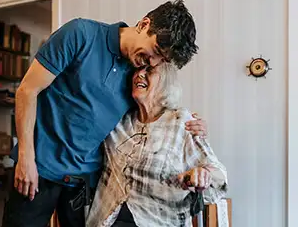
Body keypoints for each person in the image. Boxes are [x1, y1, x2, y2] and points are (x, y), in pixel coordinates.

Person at [2, 0, 207, 227]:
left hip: (83, 181)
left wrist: (190, 124)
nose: (153, 62)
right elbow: (27, 91)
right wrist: (25, 158)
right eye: (155, 51)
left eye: (162, 59)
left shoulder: (137, 74)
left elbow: (150, 116)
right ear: (144, 24)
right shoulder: (81, 34)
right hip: (39, 167)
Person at [86, 63, 228, 227]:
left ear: (166, 83)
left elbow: (219, 177)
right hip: (106, 221)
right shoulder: (117, 120)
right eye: (137, 70)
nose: (140, 74)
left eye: (149, 70)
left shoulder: (181, 122)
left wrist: (203, 174)